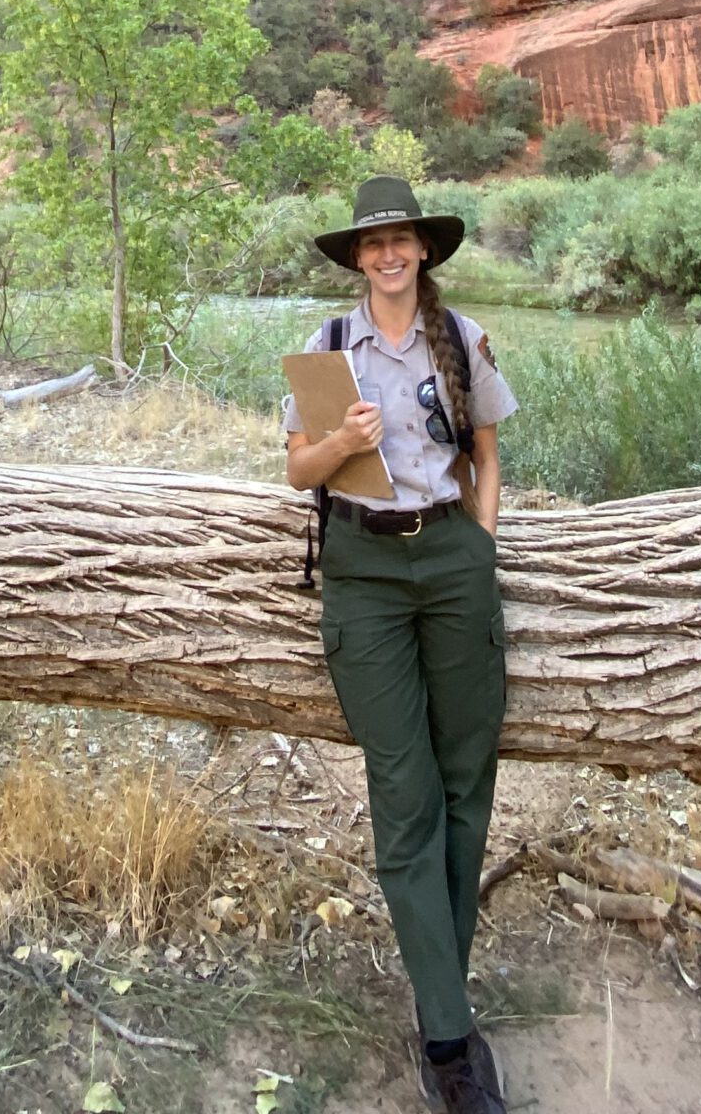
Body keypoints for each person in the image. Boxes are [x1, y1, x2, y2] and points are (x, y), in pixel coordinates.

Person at [284, 176, 517, 1114]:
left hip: (453, 556)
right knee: (405, 790)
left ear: (423, 249)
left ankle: (438, 991)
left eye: (401, 239)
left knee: (467, 780)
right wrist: (340, 437)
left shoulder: (461, 339)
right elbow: (298, 467)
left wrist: (482, 546)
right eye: (371, 243)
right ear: (357, 257)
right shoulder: (326, 348)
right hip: (365, 572)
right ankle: (450, 1039)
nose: (387, 254)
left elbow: (489, 459)